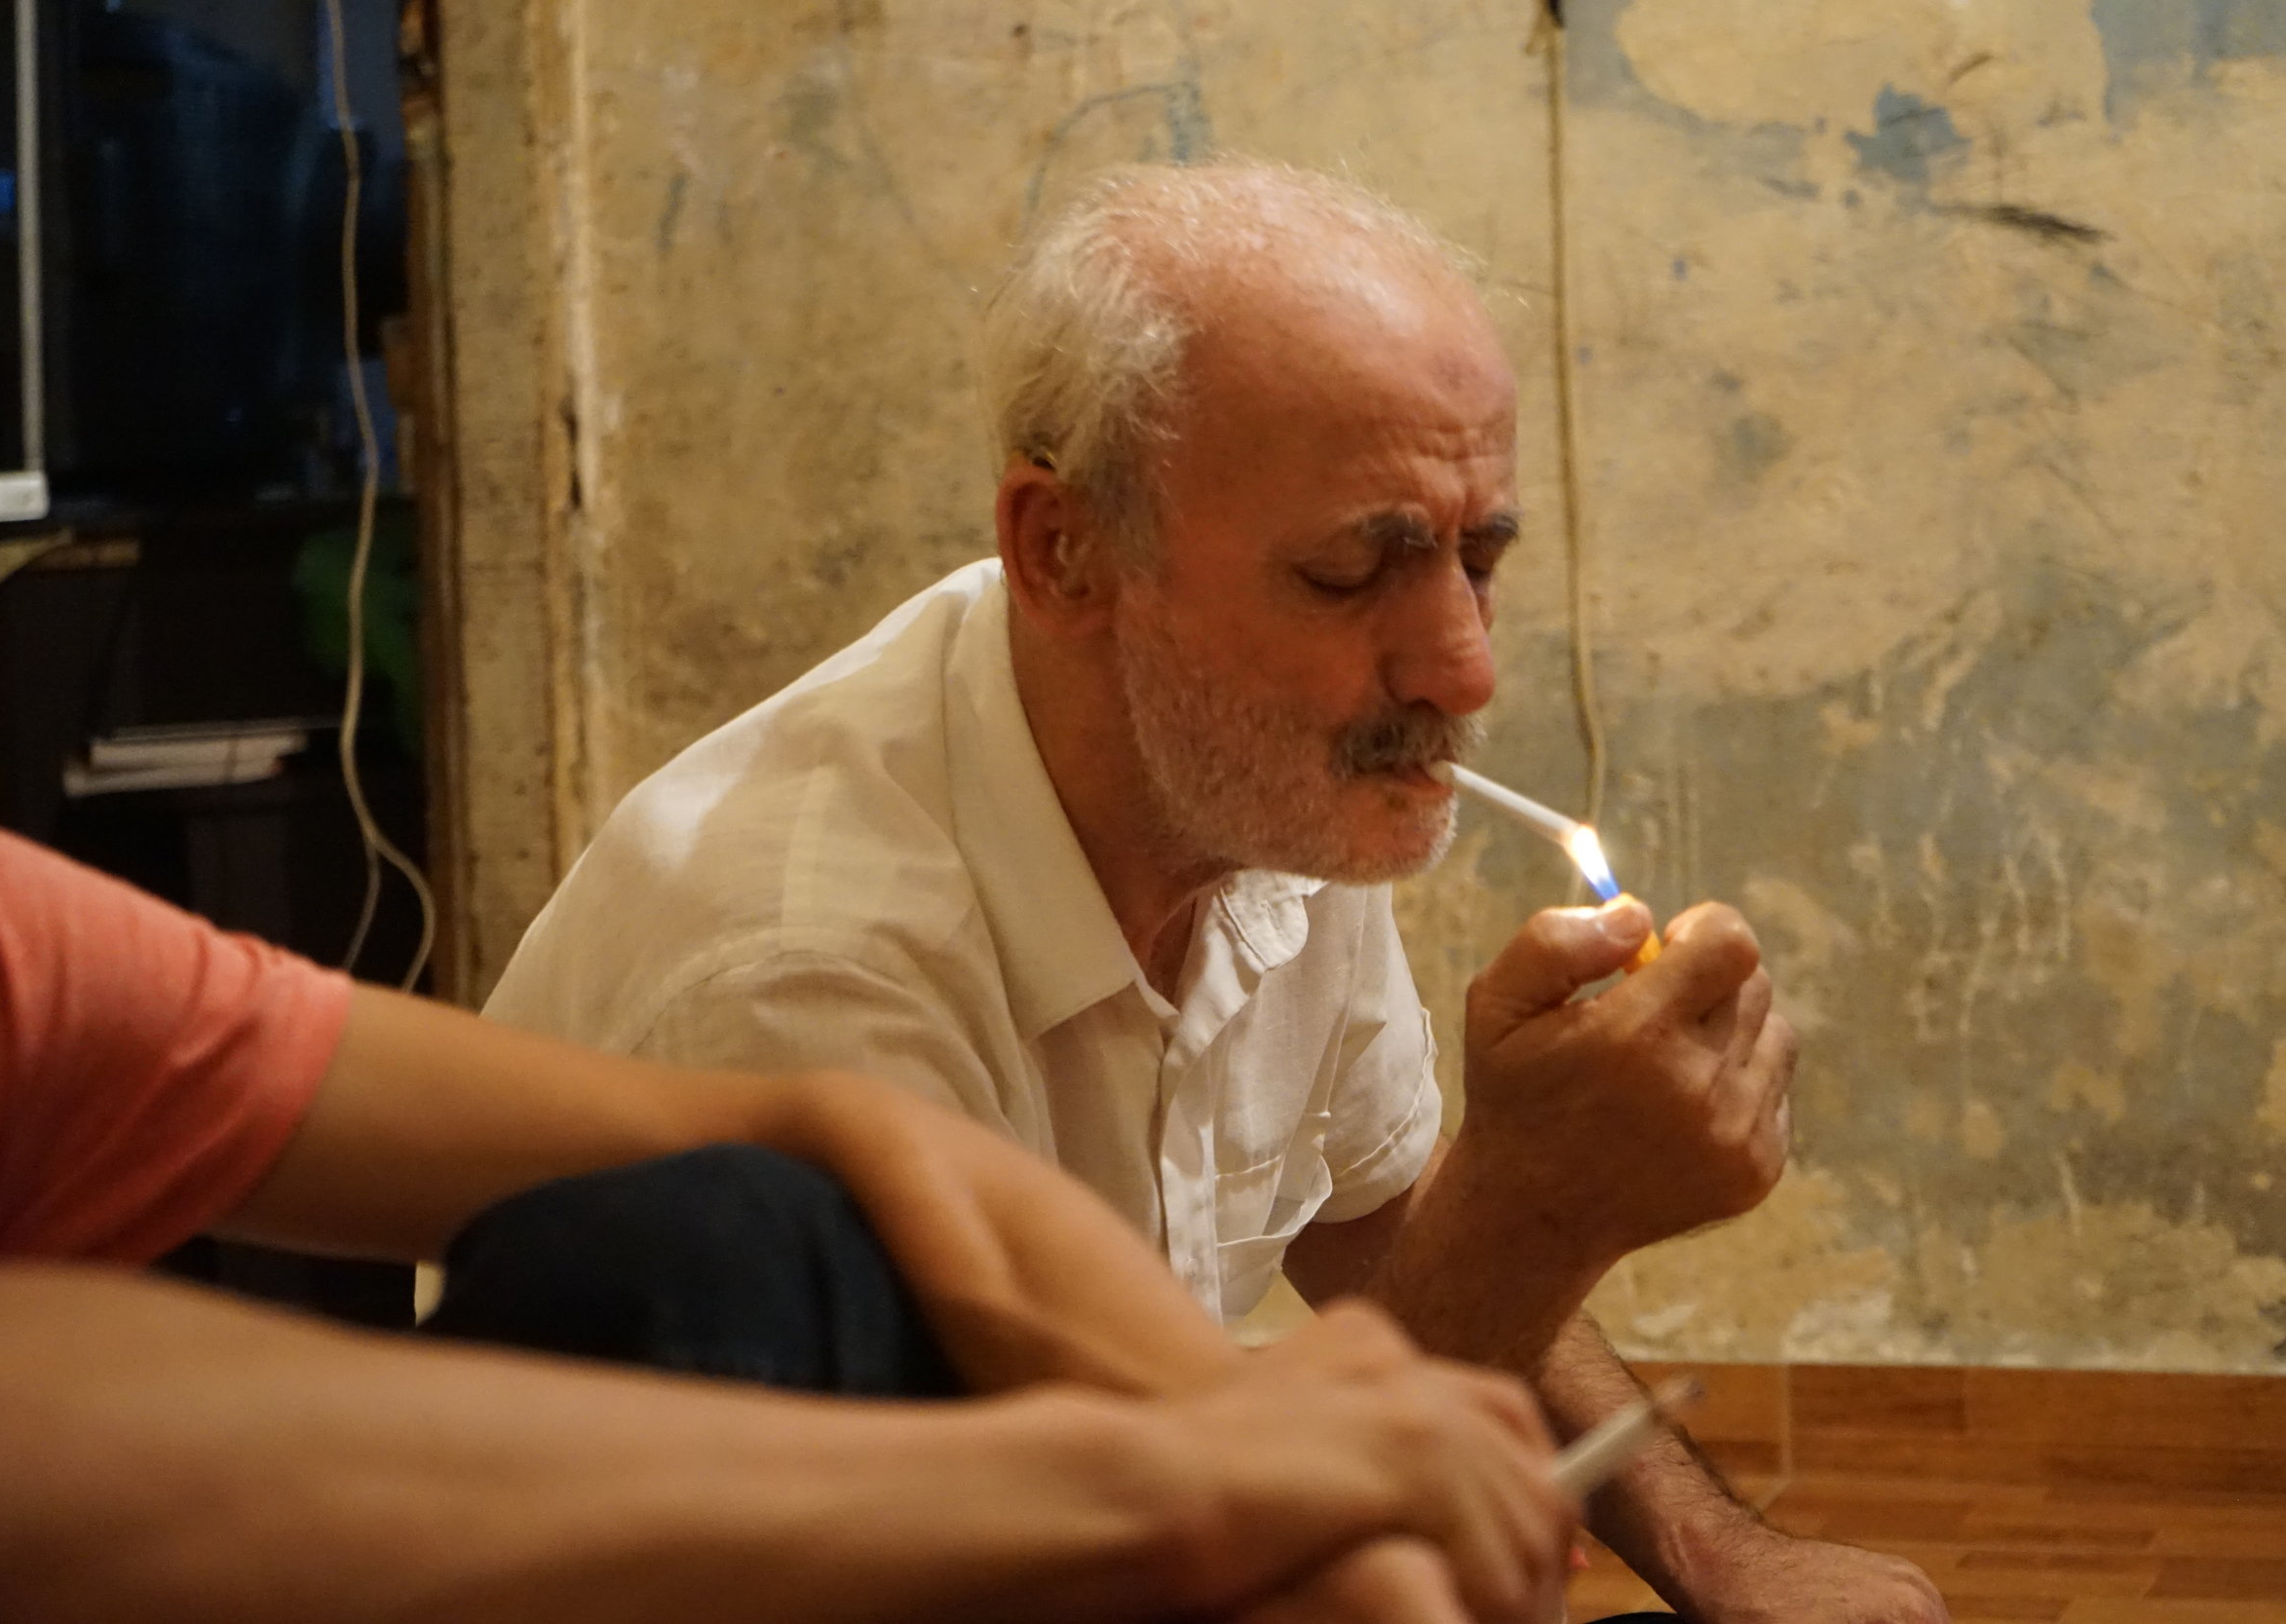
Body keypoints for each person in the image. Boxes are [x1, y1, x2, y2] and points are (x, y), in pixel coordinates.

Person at [486, 161, 1946, 1623]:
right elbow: (1070, 1586)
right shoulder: (805, 972)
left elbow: (1375, 1221)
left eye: (1476, 557)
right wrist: (1542, 1204)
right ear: (1065, 551)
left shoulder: (1257, 777)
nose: (1463, 667)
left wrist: (1717, 1557)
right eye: (1352, 572)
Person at [0, 823, 1580, 1624]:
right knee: (694, 1268)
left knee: (750, 1225)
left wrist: (1246, 1437)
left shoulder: (9, 949)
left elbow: (827, 1124)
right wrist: (1166, 1491)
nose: (1457, 657)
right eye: (1348, 567)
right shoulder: (815, 931)